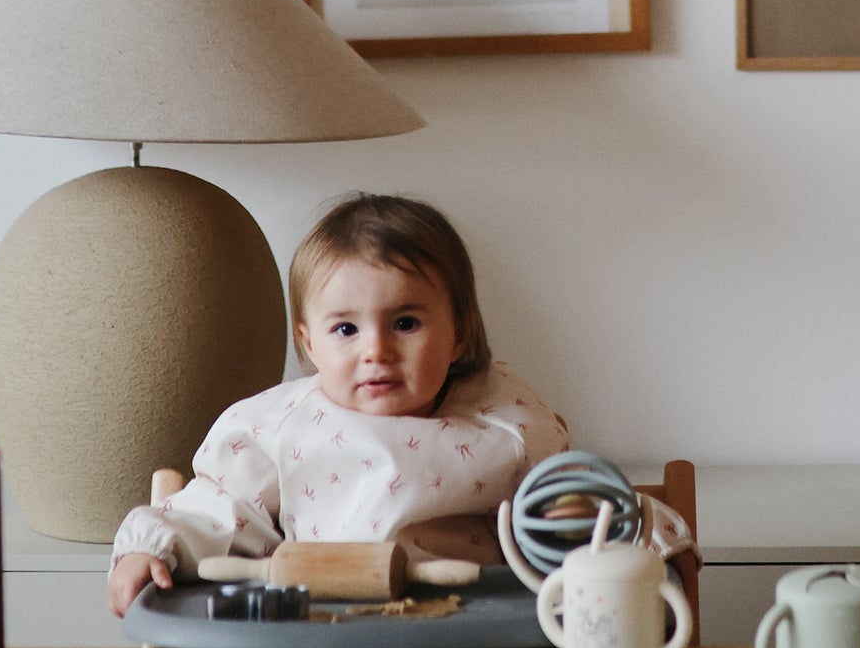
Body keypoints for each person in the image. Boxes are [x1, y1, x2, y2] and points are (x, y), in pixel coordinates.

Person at [107, 194, 571, 615]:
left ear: (458, 334)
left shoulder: (501, 420)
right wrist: (150, 548)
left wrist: (570, 520)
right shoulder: (281, 427)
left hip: (468, 615)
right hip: (321, 618)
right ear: (308, 345)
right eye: (346, 330)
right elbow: (218, 510)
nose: (376, 351)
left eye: (405, 323)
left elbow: (553, 505)